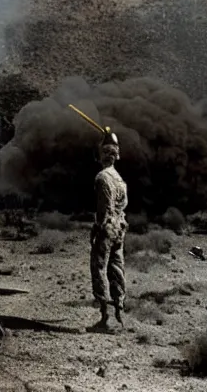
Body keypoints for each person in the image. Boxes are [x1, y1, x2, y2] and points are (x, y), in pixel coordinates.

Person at [88, 129, 128, 332]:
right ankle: (120, 313)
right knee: (117, 269)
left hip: (107, 229)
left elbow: (104, 210)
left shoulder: (102, 178)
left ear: (104, 154)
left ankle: (106, 318)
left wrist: (96, 229)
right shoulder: (120, 180)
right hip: (120, 228)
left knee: (99, 268)